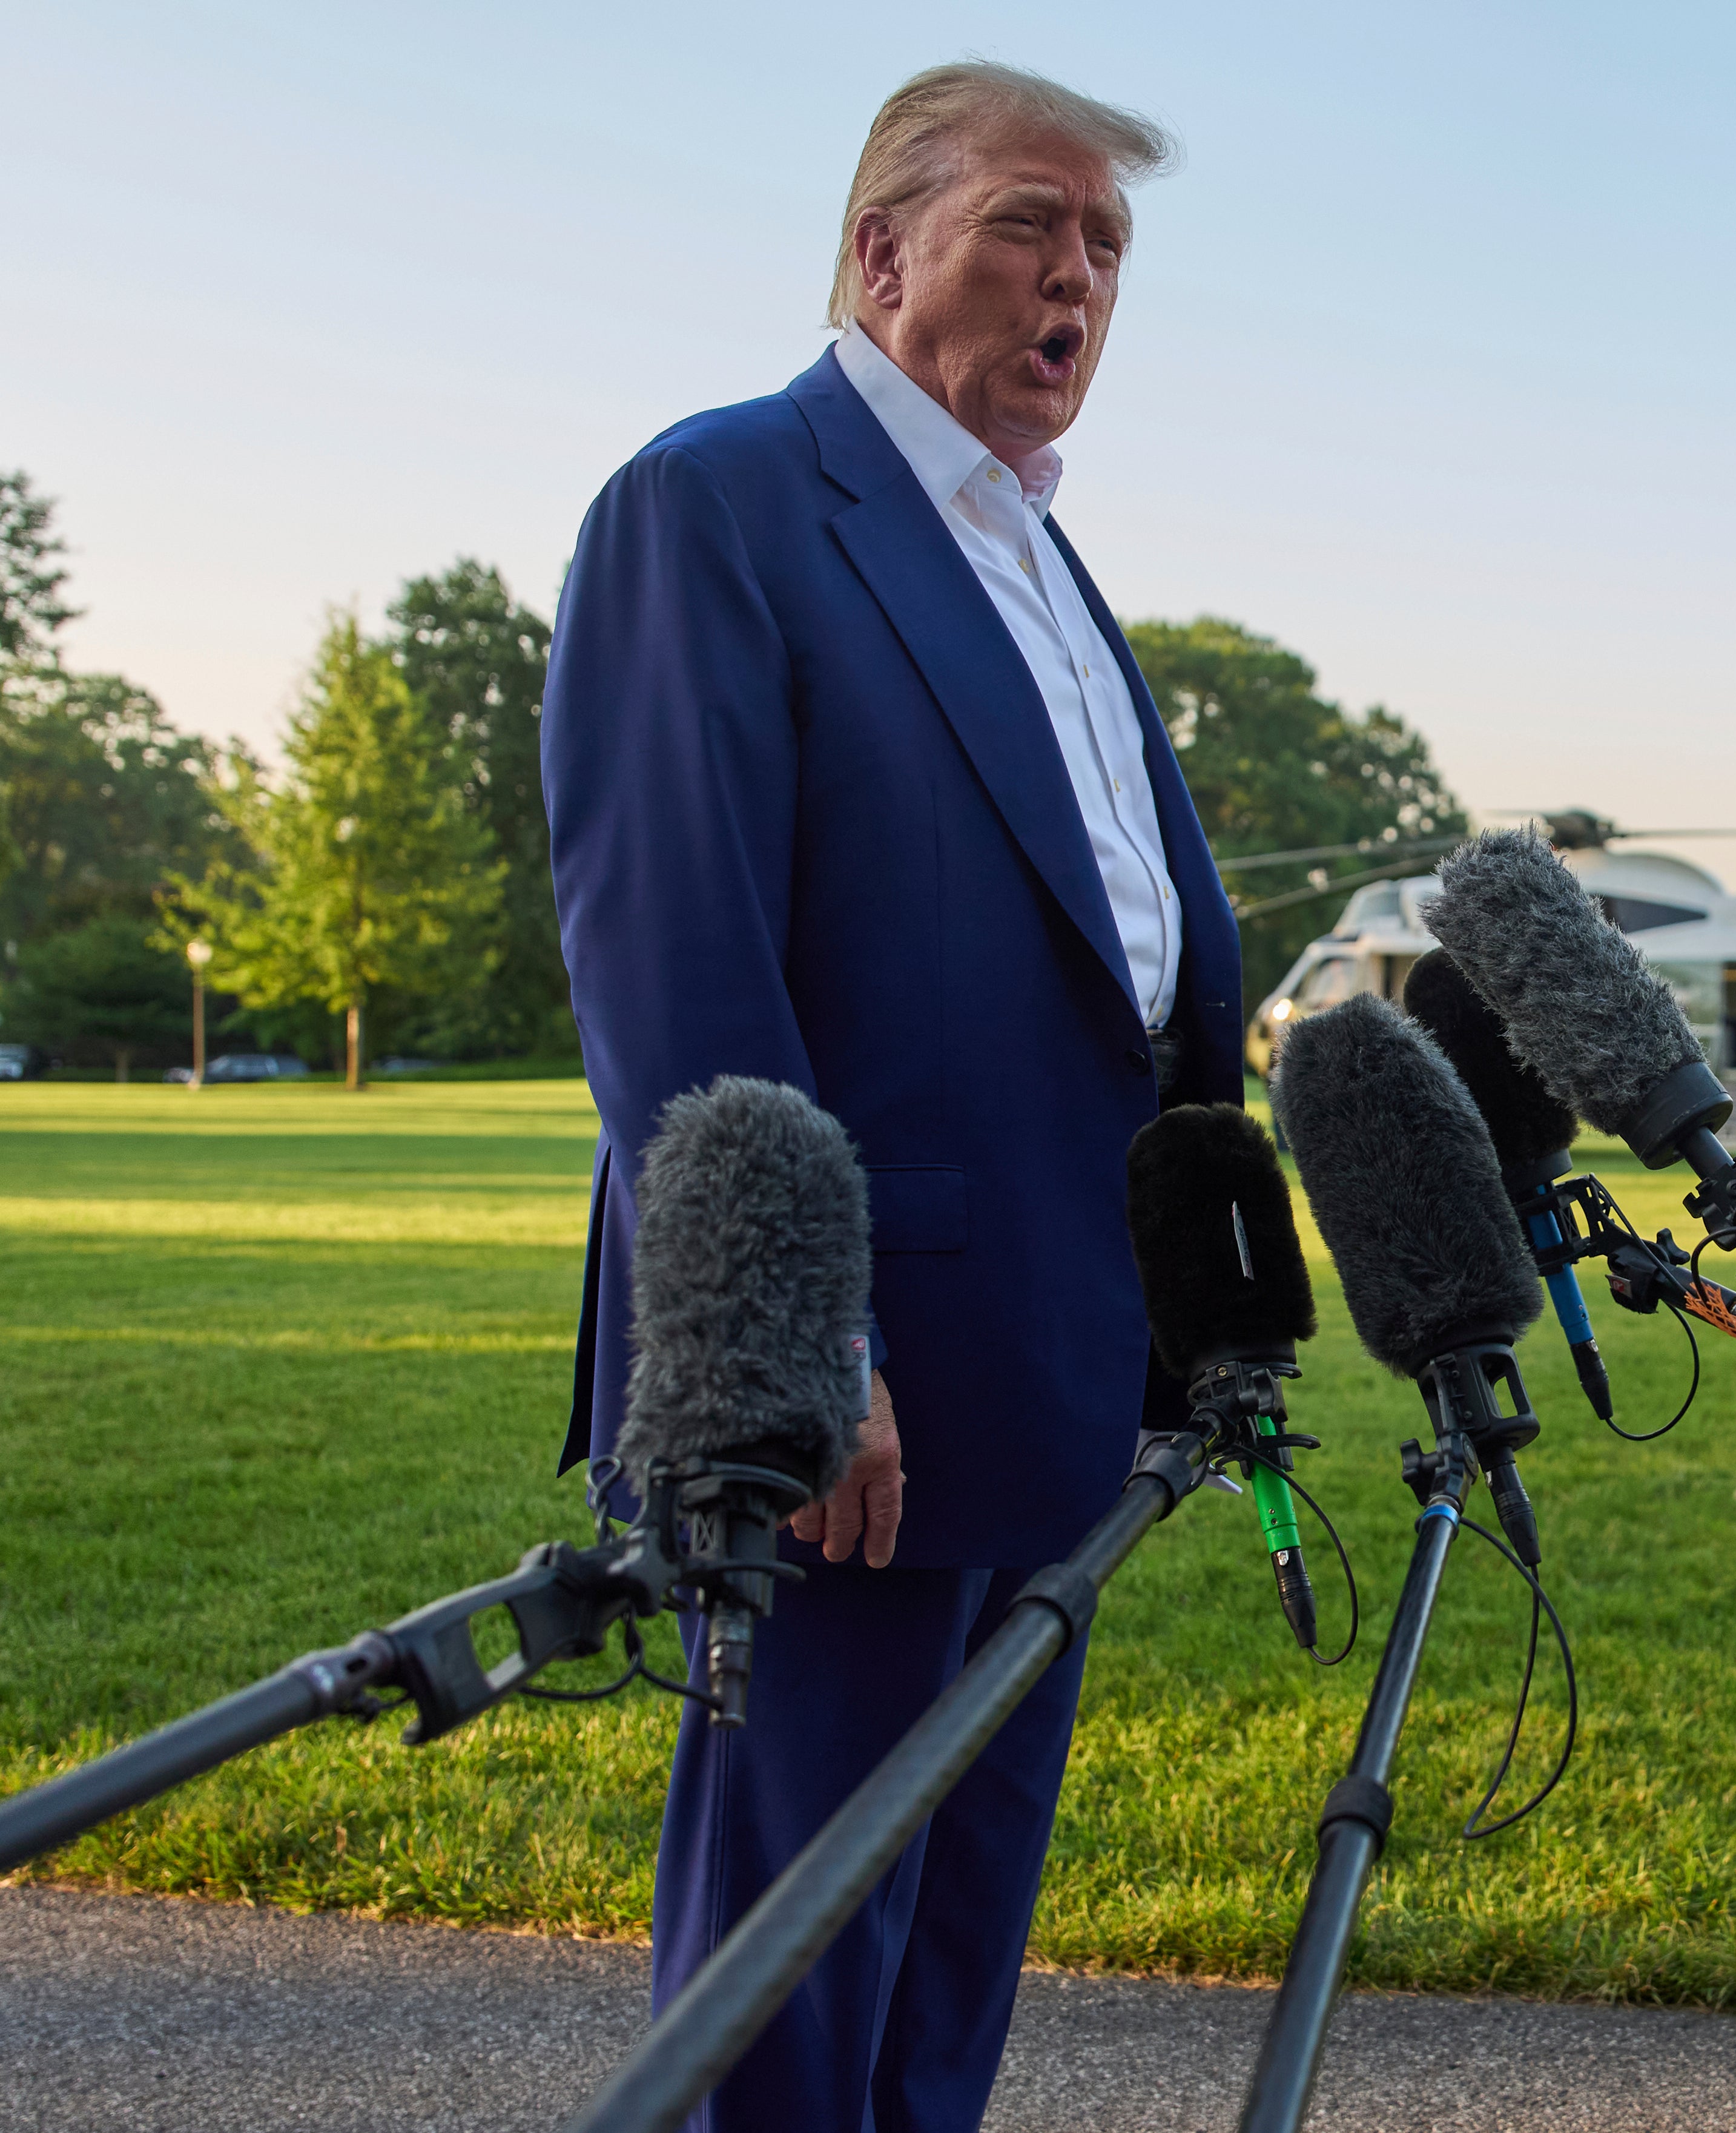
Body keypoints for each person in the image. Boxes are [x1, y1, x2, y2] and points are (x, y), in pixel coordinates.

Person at [540, 63, 1241, 2132]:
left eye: (1109, 248)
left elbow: (1127, 964)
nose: (1080, 278)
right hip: (858, 1393)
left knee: (948, 1946)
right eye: (1035, 222)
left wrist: (1200, 1303)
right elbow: (674, 957)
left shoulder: (1047, 563)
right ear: (879, 252)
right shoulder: (722, 499)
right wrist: (800, 1343)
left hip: (1053, 1365)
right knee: (794, 1948)